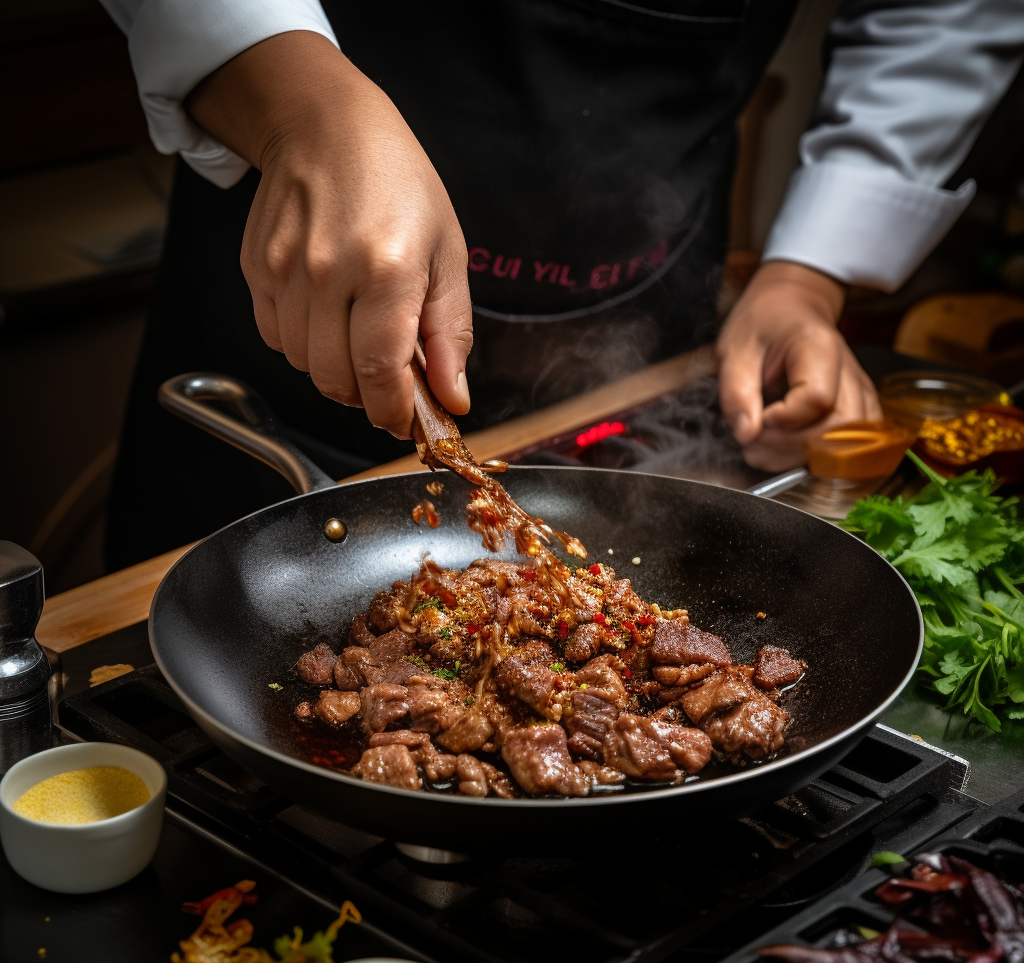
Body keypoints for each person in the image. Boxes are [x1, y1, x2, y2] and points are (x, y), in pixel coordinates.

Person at [98, 0, 1024, 569]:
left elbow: (943, 9)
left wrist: (807, 277)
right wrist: (304, 107)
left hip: (646, 278)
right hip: (294, 221)